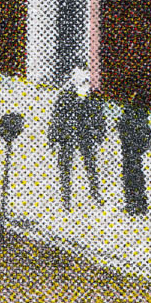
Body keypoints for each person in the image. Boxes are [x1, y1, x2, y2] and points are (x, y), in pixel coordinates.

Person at [47, 70, 105, 209]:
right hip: (67, 137)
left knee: (91, 165)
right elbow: (56, 119)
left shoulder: (93, 99)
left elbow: (99, 118)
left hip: (85, 136)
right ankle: (66, 197)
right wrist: (53, 139)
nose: (85, 85)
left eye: (87, 82)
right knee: (65, 167)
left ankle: (95, 193)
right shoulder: (65, 97)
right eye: (83, 82)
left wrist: (99, 135)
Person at [115, 90, 151, 215]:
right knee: (136, 176)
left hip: (130, 149)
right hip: (134, 150)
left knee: (130, 177)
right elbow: (147, 136)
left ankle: (133, 204)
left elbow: (123, 127)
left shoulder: (132, 113)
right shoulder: (141, 114)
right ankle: (139, 204)